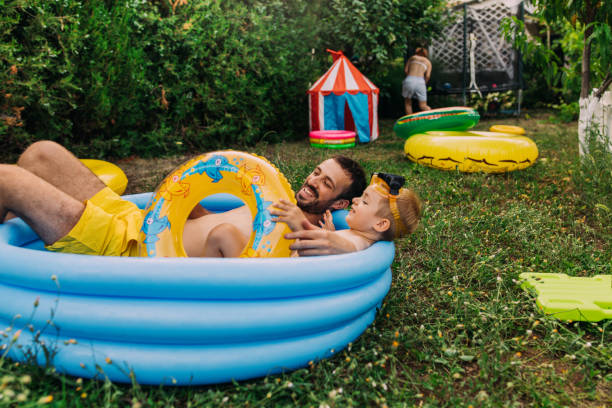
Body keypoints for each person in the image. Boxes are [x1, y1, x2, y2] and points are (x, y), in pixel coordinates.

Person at [0, 141, 367, 257]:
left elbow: (365, 239)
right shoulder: (276, 196)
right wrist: (188, 199)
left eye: (326, 184)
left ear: (339, 205)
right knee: (40, 154)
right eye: (317, 172)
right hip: (141, 216)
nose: (313, 181)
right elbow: (201, 226)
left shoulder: (308, 239)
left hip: (130, 246)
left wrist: (335, 238)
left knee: (7, 180)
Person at [277, 173, 422, 256]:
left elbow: (347, 247)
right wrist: (329, 233)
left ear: (380, 224)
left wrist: (301, 226)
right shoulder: (356, 233)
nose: (355, 200)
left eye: (365, 201)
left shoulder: (360, 242)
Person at [402, 47, 432, 115]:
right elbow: (427, 76)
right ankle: (432, 119)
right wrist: (425, 83)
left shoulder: (413, 58)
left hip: (409, 80)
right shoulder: (428, 62)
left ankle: (410, 122)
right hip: (420, 82)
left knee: (408, 103)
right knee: (423, 105)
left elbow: (406, 70)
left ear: (417, 52)